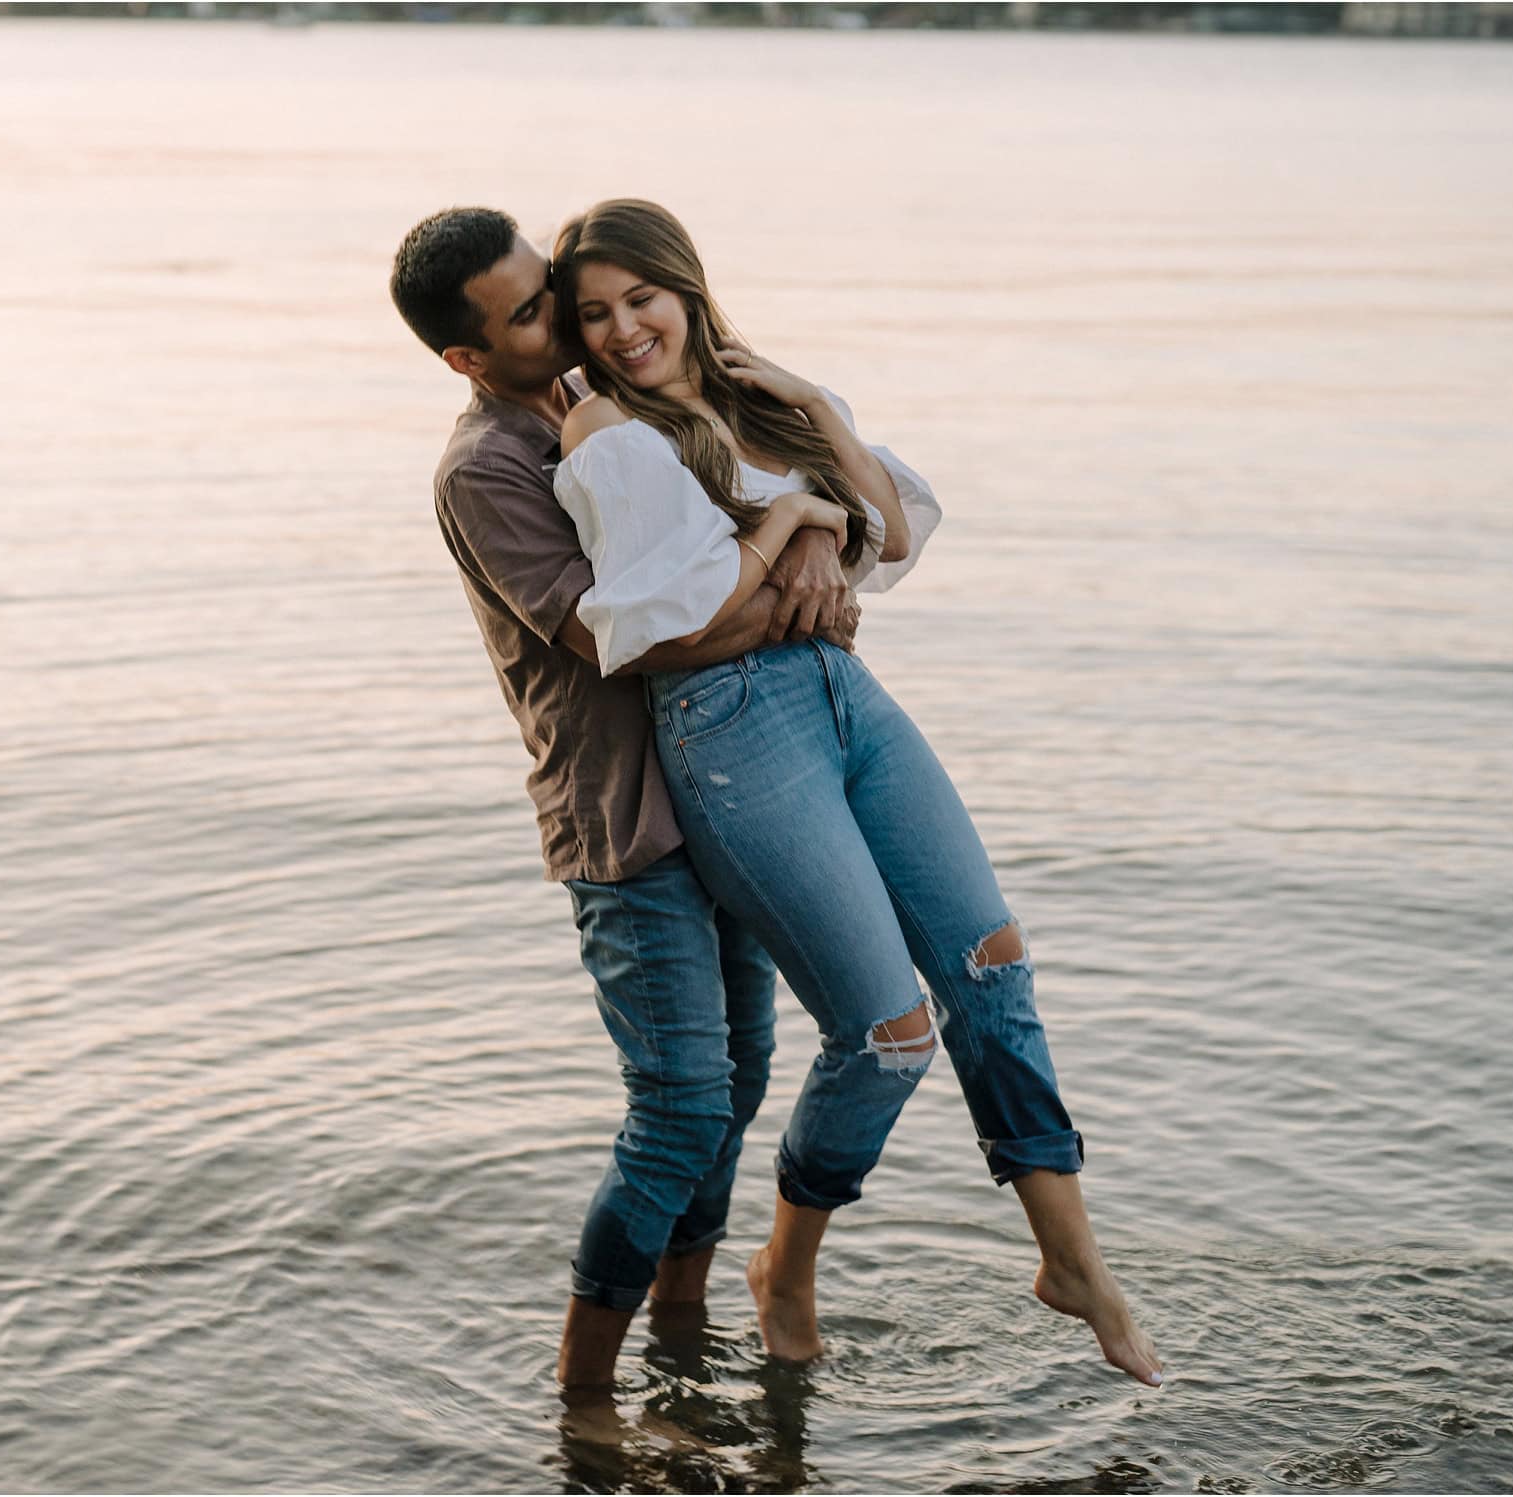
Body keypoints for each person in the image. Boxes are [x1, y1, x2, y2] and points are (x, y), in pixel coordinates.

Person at [546, 197, 1164, 1388]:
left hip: (846, 697)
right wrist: (793, 522)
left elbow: (894, 534)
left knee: (990, 965)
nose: (624, 331)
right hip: (728, 730)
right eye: (594, 315)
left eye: (642, 299)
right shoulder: (603, 435)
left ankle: (1070, 1262)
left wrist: (820, 429)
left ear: (687, 289)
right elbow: (657, 623)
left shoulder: (764, 400)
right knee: (886, 1040)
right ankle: (784, 1268)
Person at [389, 206, 867, 1405]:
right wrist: (793, 545)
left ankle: (684, 1328)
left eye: (551, 290)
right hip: (625, 824)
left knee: (743, 1075)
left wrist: (812, 535)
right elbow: (638, 643)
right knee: (676, 1109)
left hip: (722, 793)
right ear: (465, 356)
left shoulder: (605, 405)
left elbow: (754, 520)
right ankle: (585, 1404)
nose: (566, 320)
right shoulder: (486, 468)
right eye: (534, 313)